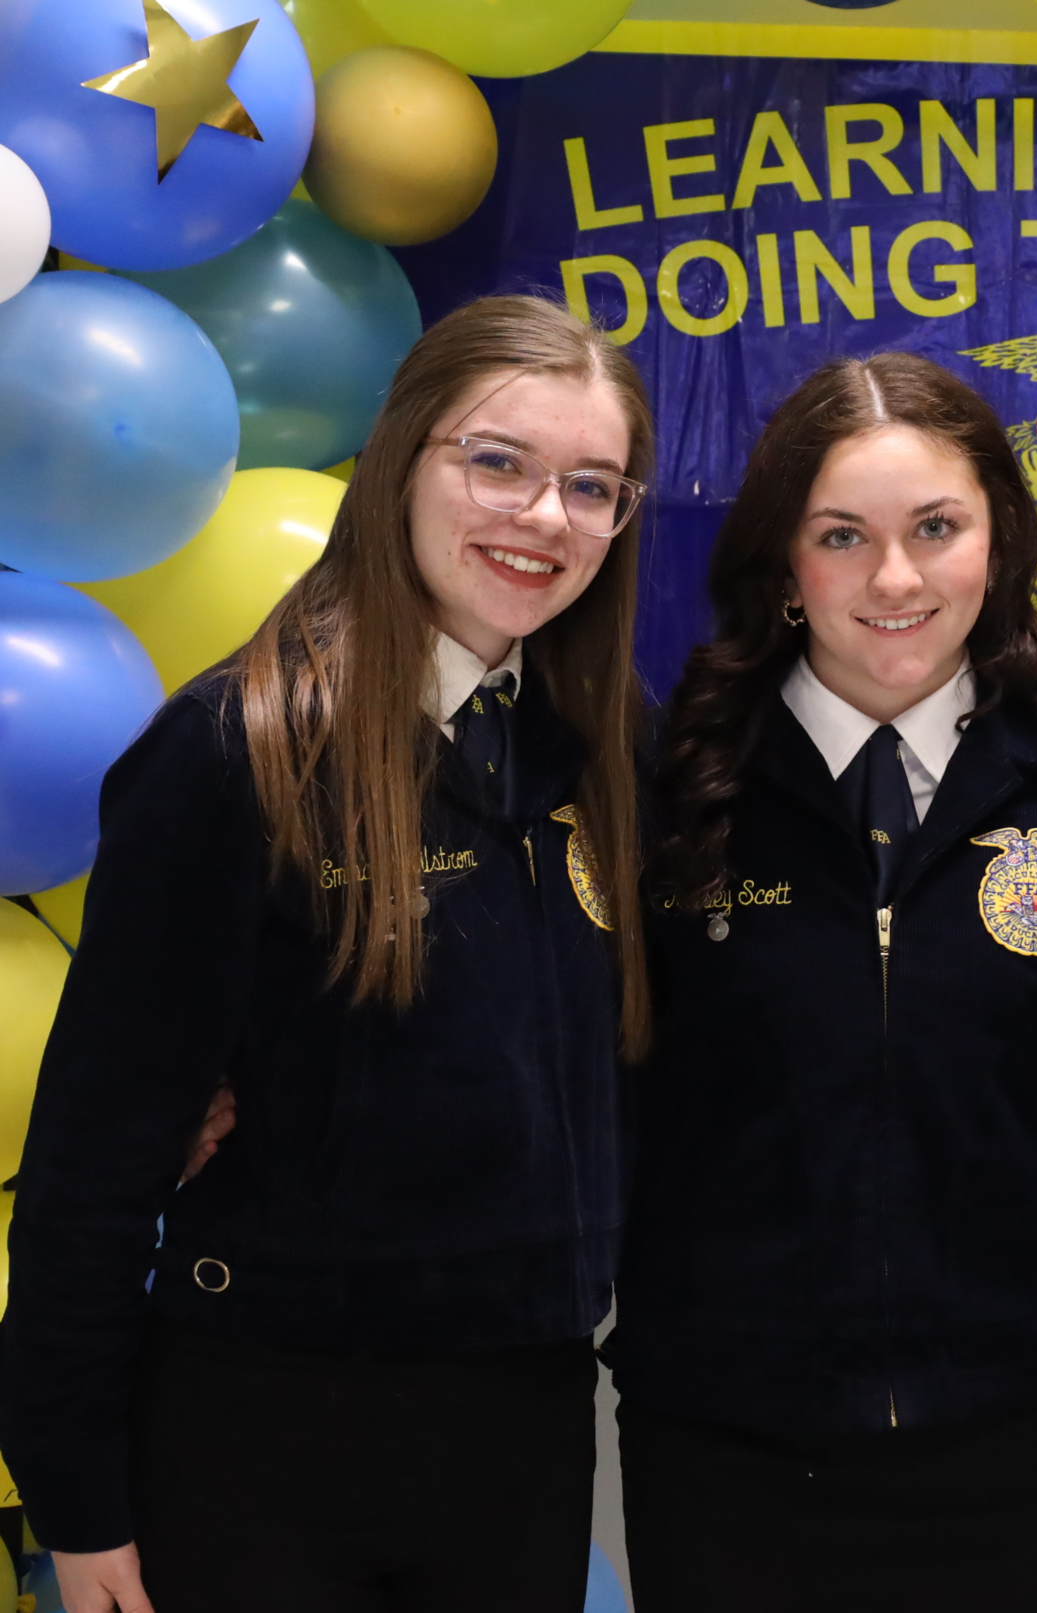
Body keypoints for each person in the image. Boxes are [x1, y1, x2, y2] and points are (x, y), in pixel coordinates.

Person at [0, 295, 655, 1613]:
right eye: (499, 462)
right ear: (401, 457)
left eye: (592, 486)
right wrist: (79, 1498)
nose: (545, 516)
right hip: (264, 1428)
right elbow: (94, 1159)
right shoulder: (235, 752)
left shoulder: (600, 741)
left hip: (521, 1427)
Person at [604, 353, 1037, 1610]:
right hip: (726, 1436)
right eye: (841, 534)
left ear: (999, 543)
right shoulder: (664, 788)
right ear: (782, 565)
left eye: (936, 528)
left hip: (1020, 1426)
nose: (895, 578)